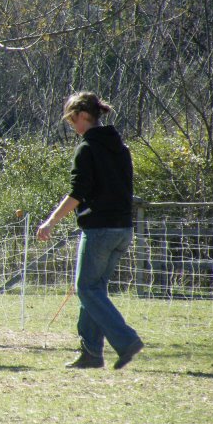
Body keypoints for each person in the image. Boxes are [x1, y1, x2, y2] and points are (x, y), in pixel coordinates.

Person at [37, 91, 144, 369]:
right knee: (94, 290)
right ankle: (91, 353)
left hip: (99, 229)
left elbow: (77, 193)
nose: (73, 126)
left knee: (86, 289)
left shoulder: (87, 148)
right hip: (123, 229)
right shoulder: (120, 148)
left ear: (84, 116)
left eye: (73, 120)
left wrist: (50, 222)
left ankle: (126, 340)